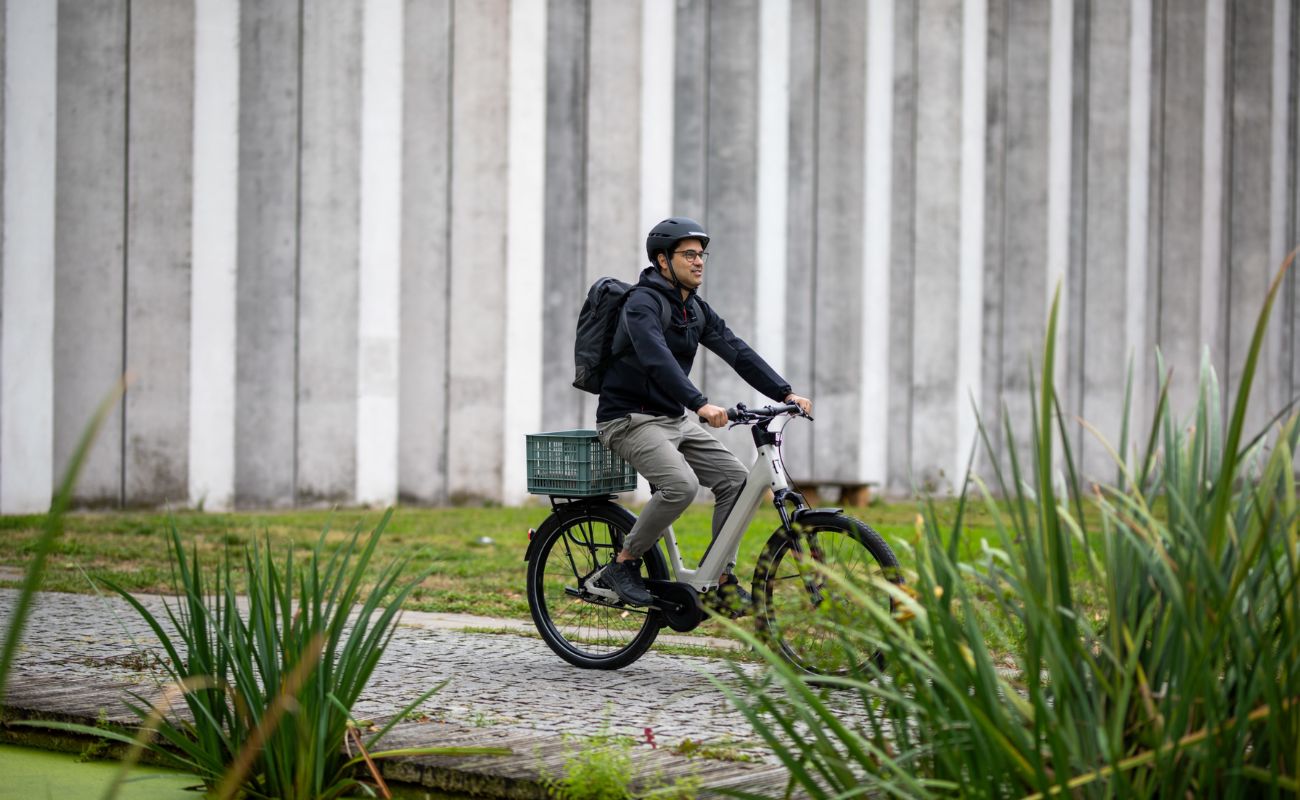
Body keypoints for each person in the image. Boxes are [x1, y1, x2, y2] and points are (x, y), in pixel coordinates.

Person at [594, 217, 812, 614]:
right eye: (688, 254)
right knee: (680, 486)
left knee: (735, 481)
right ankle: (623, 564)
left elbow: (736, 350)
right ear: (663, 260)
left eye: (701, 255)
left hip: (672, 420)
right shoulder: (641, 303)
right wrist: (699, 403)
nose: (698, 262)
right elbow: (656, 359)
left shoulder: (693, 309)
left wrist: (784, 391)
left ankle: (722, 581)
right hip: (627, 419)